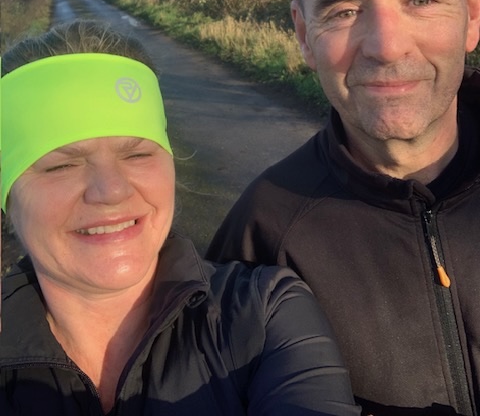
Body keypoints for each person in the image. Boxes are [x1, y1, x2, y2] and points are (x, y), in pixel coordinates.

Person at [207, 0, 480, 415]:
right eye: (345, 9)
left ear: (470, 11)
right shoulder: (259, 238)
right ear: (305, 35)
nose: (386, 45)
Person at [0, 20, 360, 416]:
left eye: (137, 154)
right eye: (61, 166)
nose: (112, 190)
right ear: (8, 197)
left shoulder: (262, 316)